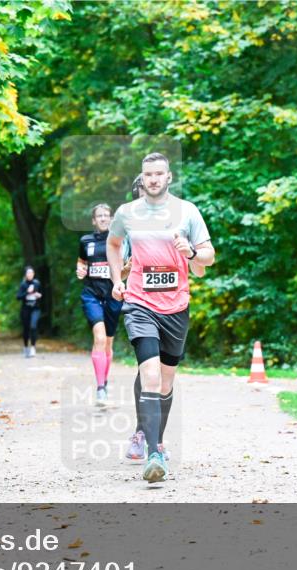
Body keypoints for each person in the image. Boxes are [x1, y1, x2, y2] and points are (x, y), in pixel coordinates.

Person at [107, 153, 215, 483]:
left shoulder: (188, 212)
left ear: (168, 177)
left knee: (166, 381)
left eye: (159, 174)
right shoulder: (127, 213)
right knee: (150, 375)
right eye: (148, 174)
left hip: (176, 306)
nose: (153, 179)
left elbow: (208, 257)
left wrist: (191, 252)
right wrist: (116, 280)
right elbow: (113, 244)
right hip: (140, 303)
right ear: (142, 178)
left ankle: (157, 440)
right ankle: (154, 453)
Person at [76, 204, 130, 403]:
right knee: (99, 338)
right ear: (93, 220)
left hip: (113, 296)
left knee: (108, 343)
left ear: (112, 218)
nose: (103, 219)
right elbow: (81, 262)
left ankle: (104, 381)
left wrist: (127, 269)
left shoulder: (119, 241)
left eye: (107, 215)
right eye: (99, 216)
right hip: (91, 294)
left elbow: (122, 273)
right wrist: (80, 270)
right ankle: (100, 388)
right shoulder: (85, 241)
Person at [16, 266, 43, 357]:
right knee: (26, 329)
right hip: (25, 309)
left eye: (31, 273)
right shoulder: (23, 284)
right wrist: (27, 292)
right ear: (26, 275)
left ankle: (33, 347)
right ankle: (25, 347)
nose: (30, 275)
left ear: (33, 274)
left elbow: (42, 294)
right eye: (28, 273)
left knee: (33, 326)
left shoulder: (37, 283)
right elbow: (18, 297)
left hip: (35, 308)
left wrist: (39, 295)